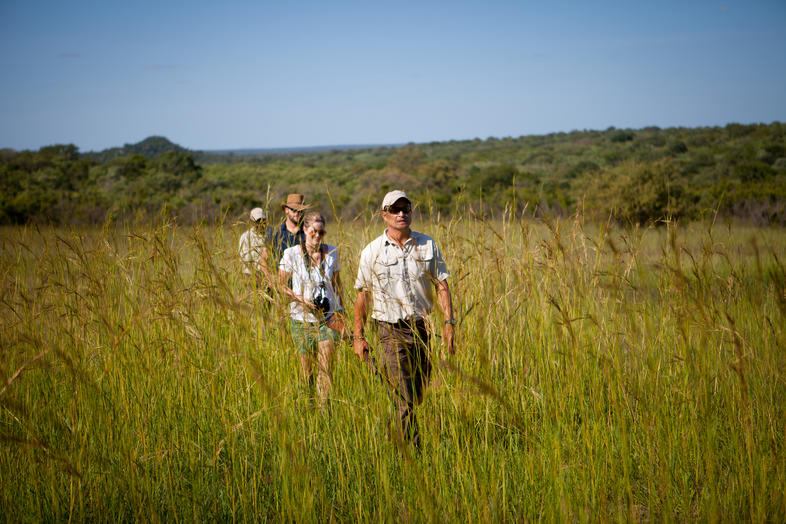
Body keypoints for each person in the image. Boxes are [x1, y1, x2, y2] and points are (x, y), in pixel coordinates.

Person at [352, 190, 455, 448]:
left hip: (422, 329)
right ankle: (413, 455)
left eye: (406, 208)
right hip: (390, 332)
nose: (401, 214)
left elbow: (442, 286)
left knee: (418, 395)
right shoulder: (372, 251)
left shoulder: (427, 245)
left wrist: (449, 324)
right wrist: (358, 336)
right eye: (395, 210)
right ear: (384, 214)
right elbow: (363, 296)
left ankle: (393, 437)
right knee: (404, 398)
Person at [279, 211, 345, 407]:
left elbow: (337, 285)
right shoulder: (291, 253)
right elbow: (281, 284)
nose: (317, 237)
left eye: (321, 233)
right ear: (305, 231)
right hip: (301, 320)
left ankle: (325, 410)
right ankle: (308, 408)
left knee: (326, 369)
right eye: (313, 232)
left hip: (328, 319)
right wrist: (301, 300)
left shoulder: (332, 252)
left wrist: (342, 312)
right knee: (306, 372)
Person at [239, 207, 274, 288]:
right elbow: (246, 262)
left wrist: (269, 276)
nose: (260, 224)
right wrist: (262, 278)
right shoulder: (245, 237)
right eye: (257, 221)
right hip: (251, 275)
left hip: (269, 274)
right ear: (252, 222)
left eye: (263, 221)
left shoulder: (272, 232)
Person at [272, 194, 312, 263]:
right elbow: (264, 259)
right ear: (286, 210)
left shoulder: (309, 232)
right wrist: (270, 274)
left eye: (300, 211)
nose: (297, 213)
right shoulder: (275, 232)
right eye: (293, 210)